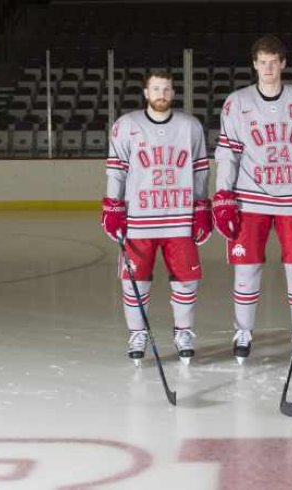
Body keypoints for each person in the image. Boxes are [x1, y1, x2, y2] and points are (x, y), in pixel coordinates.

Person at [212, 35, 292, 364]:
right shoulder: (237, 102)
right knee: (246, 270)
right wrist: (223, 193)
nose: (268, 68)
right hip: (250, 199)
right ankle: (243, 332)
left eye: (274, 62)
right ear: (254, 64)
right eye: (262, 62)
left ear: (283, 63)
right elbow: (228, 153)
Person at [100, 71, 212, 366]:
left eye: (166, 88)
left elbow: (201, 169)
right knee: (135, 280)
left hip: (179, 217)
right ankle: (138, 333)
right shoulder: (126, 126)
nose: (161, 93)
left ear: (173, 93)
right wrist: (113, 206)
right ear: (145, 93)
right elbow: (116, 170)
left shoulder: (190, 126)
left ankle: (183, 332)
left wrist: (201, 206)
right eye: (155, 89)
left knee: (187, 279)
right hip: (139, 219)